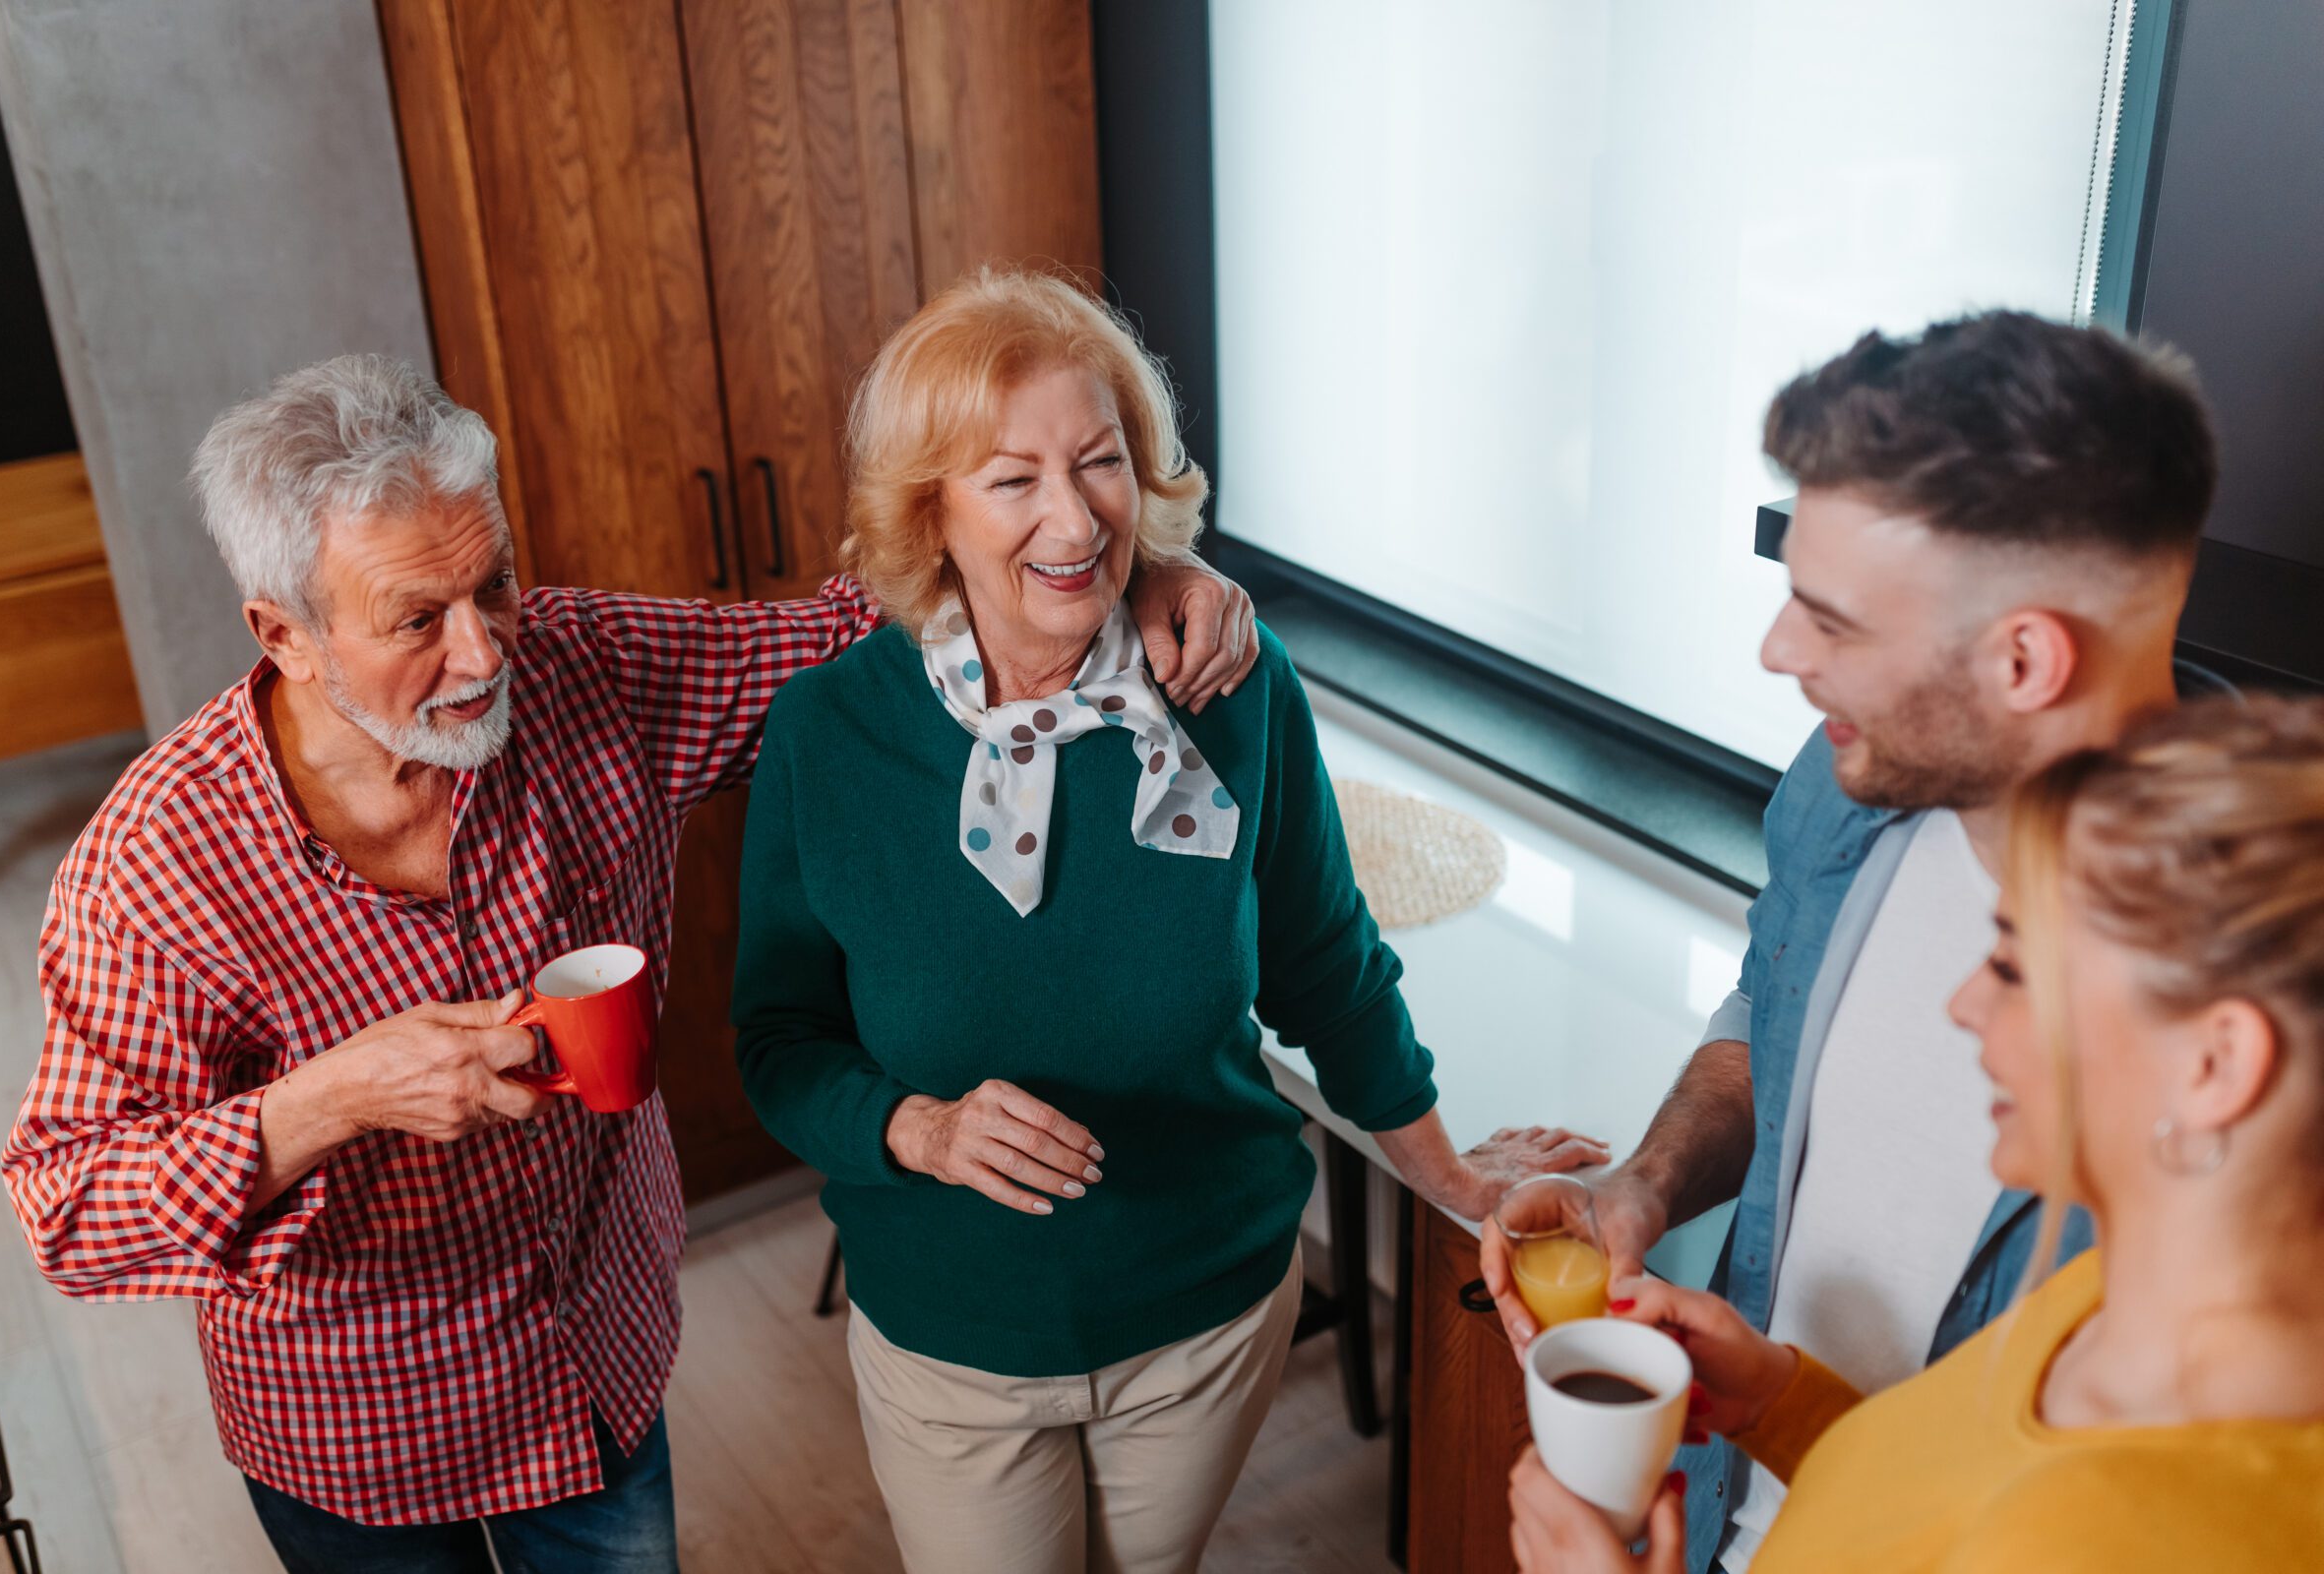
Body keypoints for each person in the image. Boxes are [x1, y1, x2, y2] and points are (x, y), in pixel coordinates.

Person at [0, 353, 1258, 1571]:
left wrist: (1130, 562)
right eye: (417, 620)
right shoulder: (157, 863)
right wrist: (334, 1096)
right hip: (357, 1435)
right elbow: (63, 1206)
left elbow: (858, 618)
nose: (487, 653)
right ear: (284, 633)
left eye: (492, 584)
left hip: (595, 1370)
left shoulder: (584, 668)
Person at [731, 267, 1608, 1574]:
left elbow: (1327, 965)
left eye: (1099, 462)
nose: (1074, 516)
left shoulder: (1233, 691)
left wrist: (1456, 1179)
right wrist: (915, 1127)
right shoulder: (828, 737)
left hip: (1205, 1314)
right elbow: (781, 1039)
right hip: (955, 1341)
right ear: (934, 513)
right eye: (1010, 479)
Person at [1479, 310, 2222, 1570]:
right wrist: (1642, 1185)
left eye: (1834, 621)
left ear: (2026, 658)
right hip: (1743, 1513)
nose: (1778, 652)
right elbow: (1763, 1026)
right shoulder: (1848, 783)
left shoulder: (2242, 1007)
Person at [1506, 695, 2324, 1572]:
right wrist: (1780, 1400)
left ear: (2216, 1062)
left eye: (2014, 963)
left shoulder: (2124, 1534)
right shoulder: (2102, 1301)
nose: (1964, 1003)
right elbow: (1940, 1507)